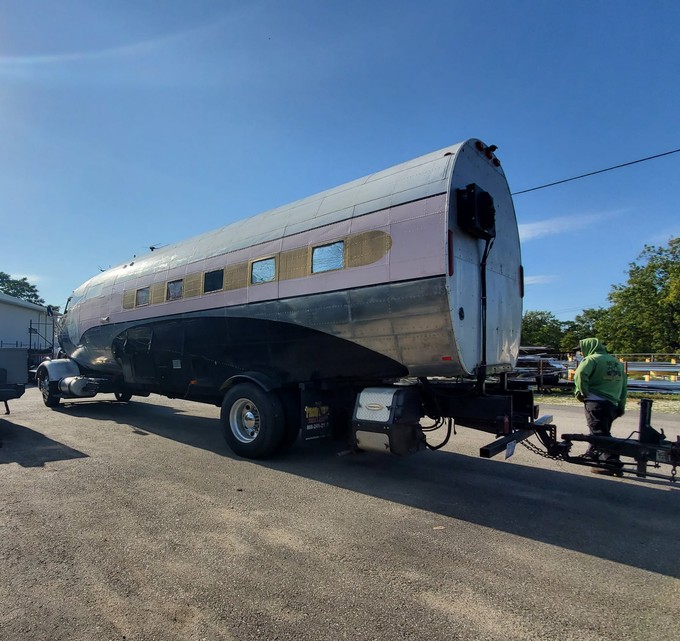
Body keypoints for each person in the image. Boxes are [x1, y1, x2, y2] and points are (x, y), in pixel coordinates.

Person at [573, 338, 627, 464]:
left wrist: (583, 392)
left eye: (581, 350)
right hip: (612, 404)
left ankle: (612, 461)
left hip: (596, 402)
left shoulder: (591, 360)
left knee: (599, 432)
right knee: (599, 429)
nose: (580, 353)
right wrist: (621, 406)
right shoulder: (616, 362)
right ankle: (592, 454)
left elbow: (580, 375)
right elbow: (624, 387)